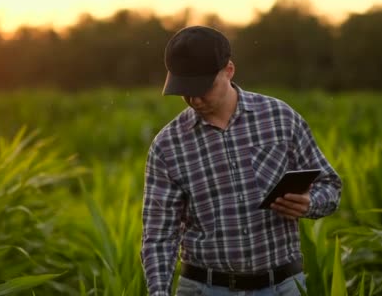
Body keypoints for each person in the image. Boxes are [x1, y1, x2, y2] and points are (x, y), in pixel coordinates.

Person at [141, 25, 342, 296]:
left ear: (229, 70)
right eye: (185, 90)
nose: (194, 99)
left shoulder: (280, 118)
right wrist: (158, 292)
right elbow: (158, 235)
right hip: (204, 288)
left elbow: (330, 186)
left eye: (203, 88)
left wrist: (309, 204)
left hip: (282, 286)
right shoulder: (167, 146)